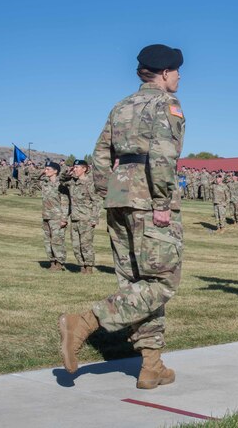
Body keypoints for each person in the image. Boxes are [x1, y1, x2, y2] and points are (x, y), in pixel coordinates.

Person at [58, 44, 185, 389]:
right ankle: (84, 322)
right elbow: (162, 156)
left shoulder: (120, 106)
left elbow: (100, 154)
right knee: (162, 282)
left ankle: (151, 366)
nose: (178, 77)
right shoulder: (166, 105)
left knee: (135, 284)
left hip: (120, 196)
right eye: (176, 71)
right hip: (149, 199)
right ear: (163, 73)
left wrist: (107, 191)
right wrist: (161, 202)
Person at [61, 159, 102, 273]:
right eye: (74, 167)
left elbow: (97, 202)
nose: (75, 169)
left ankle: (88, 266)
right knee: (75, 245)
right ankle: (81, 265)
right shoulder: (72, 182)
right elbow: (61, 180)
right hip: (74, 218)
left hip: (86, 218)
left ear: (84, 169)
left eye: (77, 167)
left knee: (86, 244)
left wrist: (95, 218)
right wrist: (66, 172)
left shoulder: (90, 183)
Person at [41, 161, 69, 271]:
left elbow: (65, 202)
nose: (45, 171)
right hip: (46, 215)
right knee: (47, 241)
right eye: (45, 169)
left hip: (57, 216)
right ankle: (52, 261)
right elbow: (32, 179)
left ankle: (60, 262)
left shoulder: (61, 184)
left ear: (55, 171)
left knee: (57, 241)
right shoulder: (45, 183)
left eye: (48, 169)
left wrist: (64, 218)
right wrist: (41, 172)